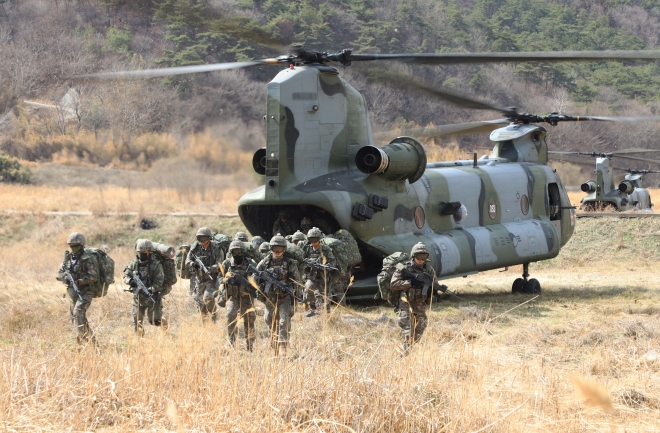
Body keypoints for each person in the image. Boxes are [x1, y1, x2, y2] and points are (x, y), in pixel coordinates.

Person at [256, 234, 301, 355]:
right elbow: (255, 274)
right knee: (269, 319)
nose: (277, 252)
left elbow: (297, 281)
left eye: (280, 249)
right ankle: (274, 343)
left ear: (284, 249)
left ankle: (283, 345)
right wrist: (262, 279)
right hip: (270, 297)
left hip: (284, 297)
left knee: (283, 321)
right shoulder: (266, 261)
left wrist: (290, 287)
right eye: (275, 249)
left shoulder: (289, 263)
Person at [390, 242, 437, 354]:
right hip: (406, 304)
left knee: (420, 328)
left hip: (420, 305)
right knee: (408, 332)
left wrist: (434, 288)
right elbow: (394, 284)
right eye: (418, 257)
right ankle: (405, 356)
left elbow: (434, 283)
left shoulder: (428, 270)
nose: (421, 260)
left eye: (424, 257)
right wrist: (410, 282)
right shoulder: (404, 268)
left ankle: (409, 352)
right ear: (413, 256)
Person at [56, 232, 100, 344]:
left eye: (75, 245)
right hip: (72, 292)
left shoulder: (88, 258)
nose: (73, 247)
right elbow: (58, 274)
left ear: (81, 245)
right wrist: (65, 278)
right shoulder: (68, 259)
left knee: (78, 311)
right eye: (71, 245)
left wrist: (80, 281)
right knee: (76, 317)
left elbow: (93, 276)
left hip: (86, 291)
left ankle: (79, 341)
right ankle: (92, 342)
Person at [220, 241, 258, 351]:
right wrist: (227, 280)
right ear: (231, 252)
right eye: (234, 251)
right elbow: (218, 278)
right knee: (230, 315)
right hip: (234, 296)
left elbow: (257, 277)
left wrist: (251, 282)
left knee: (249, 319)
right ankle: (231, 341)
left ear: (243, 251)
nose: (237, 253)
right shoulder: (227, 263)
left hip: (247, 296)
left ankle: (250, 345)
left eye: (239, 251)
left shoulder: (250, 263)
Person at [123, 239, 166, 336]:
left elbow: (159, 282)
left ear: (150, 252)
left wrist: (151, 290)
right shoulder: (134, 263)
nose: (141, 254)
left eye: (144, 252)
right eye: (139, 252)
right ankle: (140, 341)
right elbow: (125, 276)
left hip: (152, 297)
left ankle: (165, 325)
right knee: (137, 321)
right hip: (138, 298)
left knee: (155, 321)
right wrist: (130, 281)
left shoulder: (156, 265)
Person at [186, 227, 224, 323]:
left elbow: (220, 265)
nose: (202, 241)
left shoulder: (216, 248)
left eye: (204, 238)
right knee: (199, 301)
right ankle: (206, 323)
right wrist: (193, 264)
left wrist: (209, 268)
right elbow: (187, 261)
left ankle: (214, 317)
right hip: (199, 279)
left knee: (208, 297)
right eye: (200, 239)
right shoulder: (195, 248)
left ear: (209, 238)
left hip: (212, 279)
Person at [300, 227, 337, 317]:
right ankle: (313, 309)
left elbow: (332, 261)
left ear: (319, 238)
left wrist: (326, 267)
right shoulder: (307, 249)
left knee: (325, 295)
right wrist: (307, 265)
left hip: (323, 276)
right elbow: (301, 261)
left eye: (315, 239)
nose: (313, 242)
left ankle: (326, 313)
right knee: (308, 290)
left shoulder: (325, 249)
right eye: (311, 239)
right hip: (311, 276)